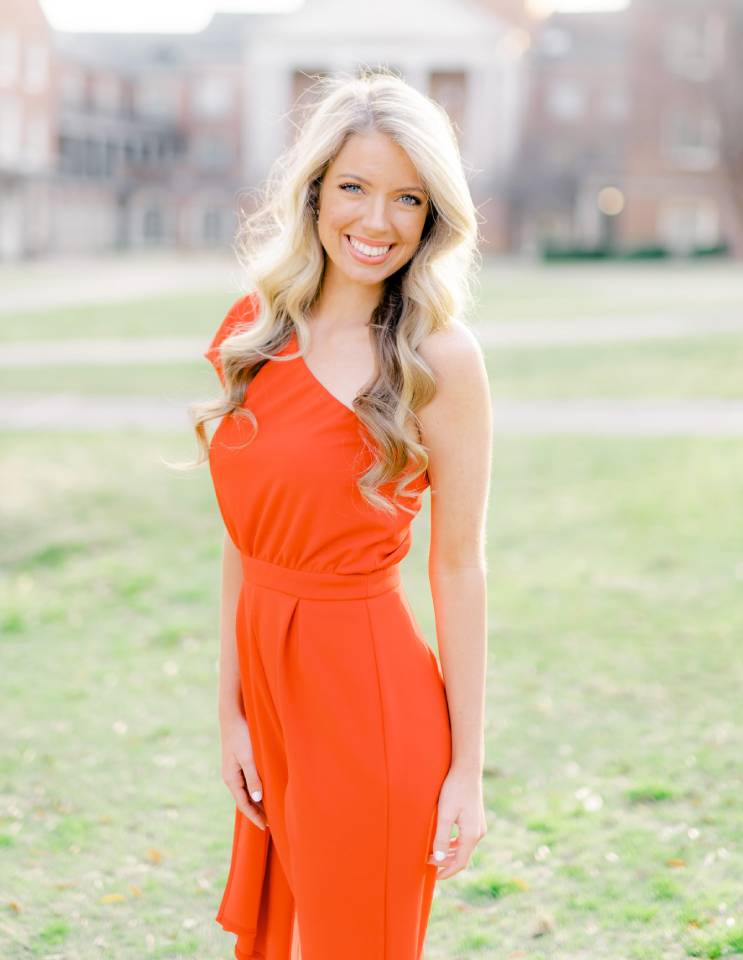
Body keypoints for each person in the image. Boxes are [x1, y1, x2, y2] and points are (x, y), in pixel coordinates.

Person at [188, 67, 492, 960]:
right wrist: (231, 714)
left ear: (433, 216)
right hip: (270, 698)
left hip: (370, 703)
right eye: (354, 187)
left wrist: (466, 773)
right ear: (314, 189)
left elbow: (460, 564)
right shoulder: (254, 331)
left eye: (407, 197)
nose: (376, 221)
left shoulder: (439, 357)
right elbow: (243, 539)